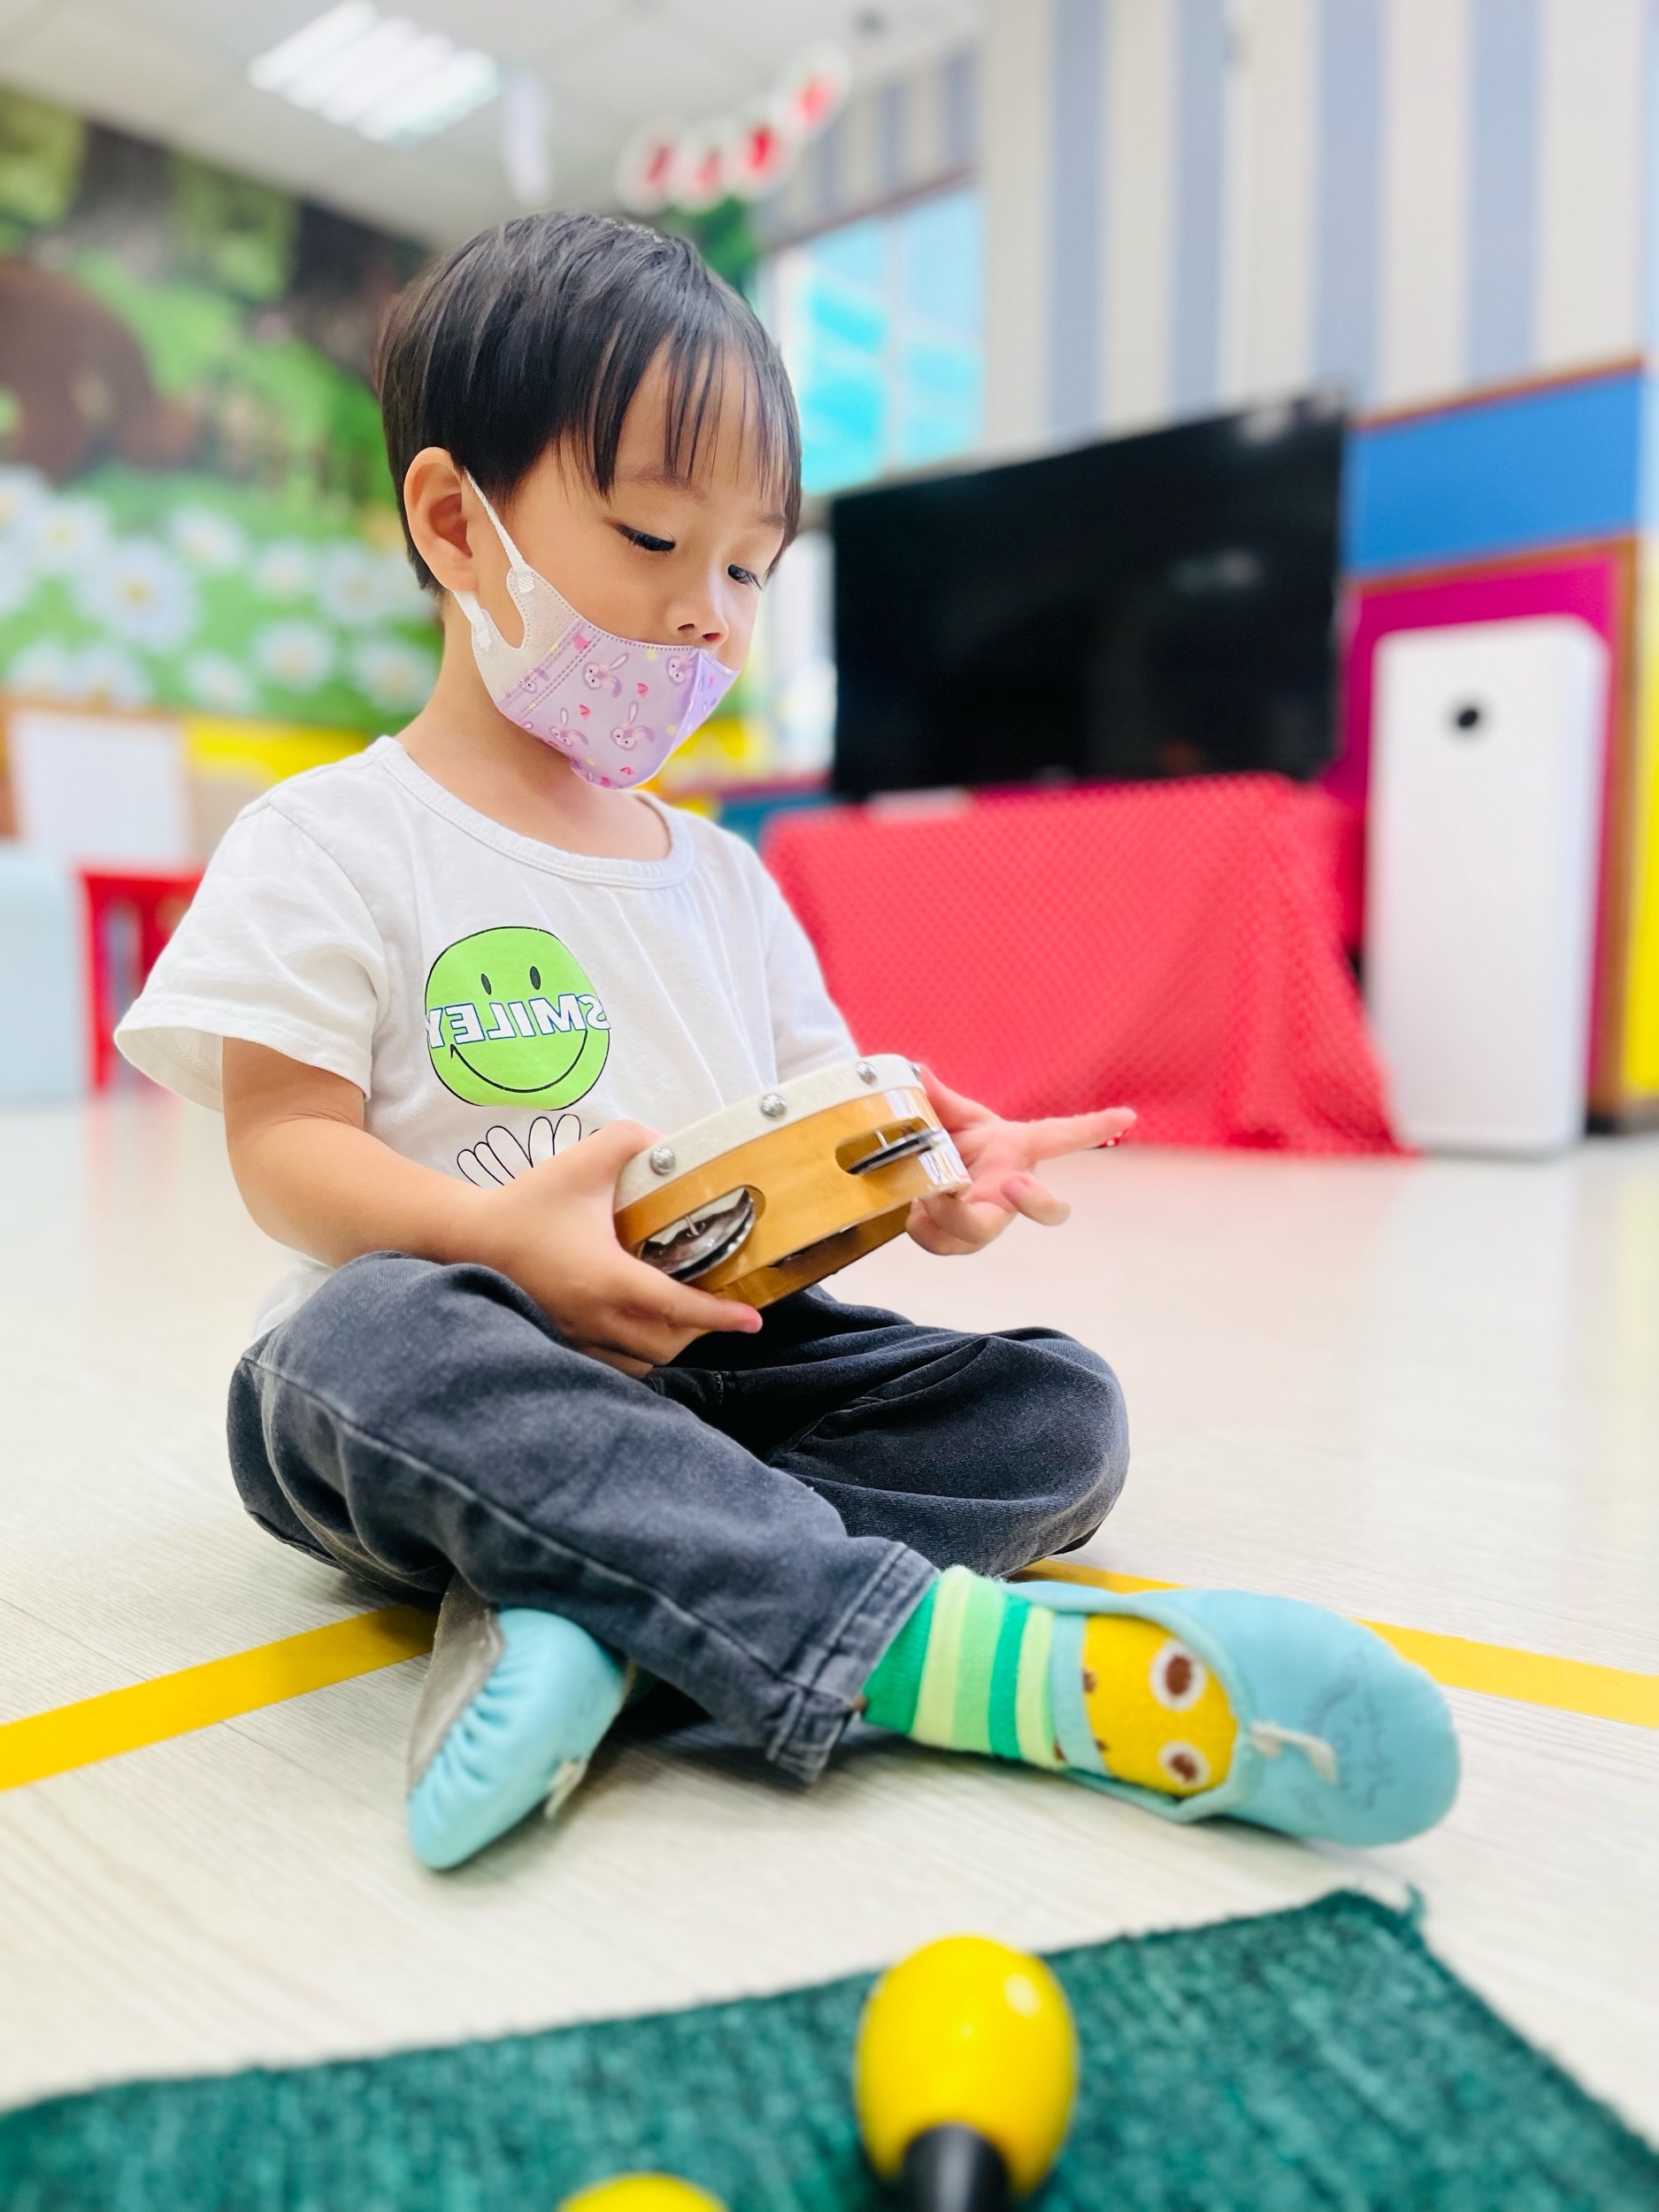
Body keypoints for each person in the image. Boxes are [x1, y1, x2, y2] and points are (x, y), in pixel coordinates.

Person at [118, 213, 1456, 1871]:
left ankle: (611, 1600)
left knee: (1055, 1409)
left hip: (712, 1357)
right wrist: (493, 1238)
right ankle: (932, 1659)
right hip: (456, 1365)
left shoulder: (725, 877)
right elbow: (283, 1152)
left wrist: (922, 1174)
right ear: (458, 524)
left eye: (750, 568)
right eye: (652, 537)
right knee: (352, 1345)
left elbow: (813, 1135)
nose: (710, 617)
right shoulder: (330, 838)